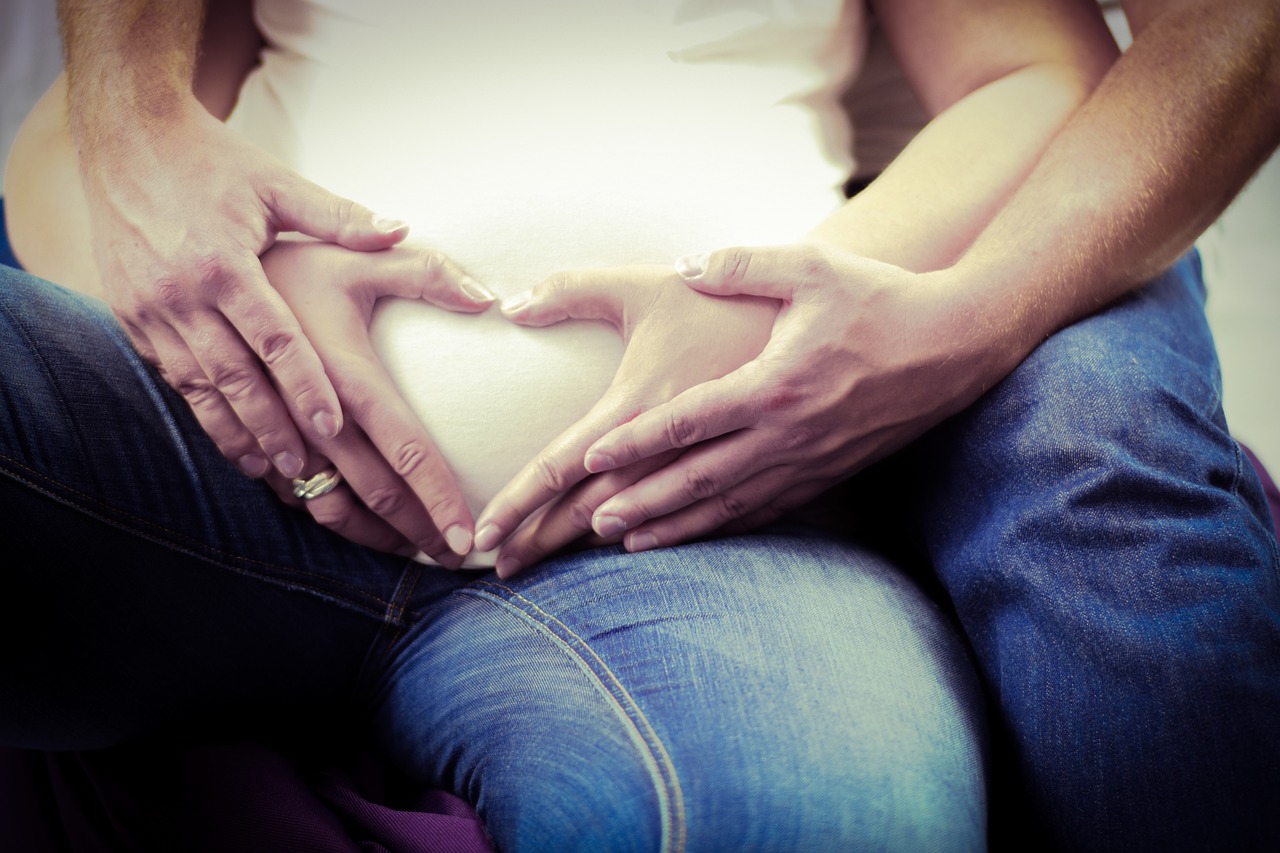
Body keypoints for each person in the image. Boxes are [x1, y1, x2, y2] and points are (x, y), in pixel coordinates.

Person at [0, 0, 1273, 849]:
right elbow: (99, 144)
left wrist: (768, 317)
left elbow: (1034, 77)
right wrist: (237, 330)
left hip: (701, 537)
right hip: (194, 467)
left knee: (838, 820)